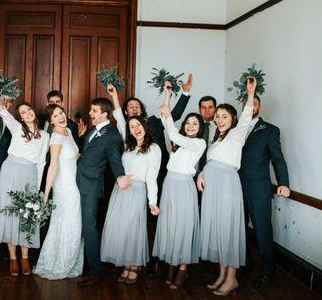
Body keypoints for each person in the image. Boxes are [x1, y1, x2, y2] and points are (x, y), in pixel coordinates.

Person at [108, 75, 193, 273]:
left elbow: (172, 113)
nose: (134, 108)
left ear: (142, 109)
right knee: (128, 224)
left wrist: (172, 93)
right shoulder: (126, 135)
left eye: (137, 105)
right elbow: (119, 116)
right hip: (129, 183)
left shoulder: (154, 122)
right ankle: (132, 259)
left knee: (155, 219)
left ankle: (156, 258)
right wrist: (114, 97)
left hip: (156, 177)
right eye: (130, 106)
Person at [197, 77, 257, 296]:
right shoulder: (217, 140)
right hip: (213, 190)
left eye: (225, 116)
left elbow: (246, 116)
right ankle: (222, 275)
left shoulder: (237, 135)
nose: (220, 120)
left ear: (233, 118)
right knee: (218, 231)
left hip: (227, 189)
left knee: (228, 231)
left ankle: (232, 279)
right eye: (218, 117)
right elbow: (211, 162)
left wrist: (250, 94)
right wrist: (201, 174)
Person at [152, 83, 207, 290]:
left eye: (195, 123)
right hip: (169, 185)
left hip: (184, 187)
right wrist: (167, 95)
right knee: (170, 227)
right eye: (188, 123)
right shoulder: (178, 144)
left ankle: (182, 267)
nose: (191, 126)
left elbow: (172, 131)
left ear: (199, 127)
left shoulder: (198, 144)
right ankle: (172, 263)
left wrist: (167, 111)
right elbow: (169, 127)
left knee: (184, 226)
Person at [0, 93, 50, 276]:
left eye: (29, 110)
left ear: (33, 111)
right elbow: (4, 113)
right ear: (21, 117)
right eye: (23, 112)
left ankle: (24, 257)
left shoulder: (45, 136)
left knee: (27, 216)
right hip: (11, 172)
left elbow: (41, 164)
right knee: (10, 213)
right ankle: (13, 258)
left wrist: (37, 188)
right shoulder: (16, 128)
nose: (27, 113)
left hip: (30, 175)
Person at [75, 97, 132, 288]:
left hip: (90, 186)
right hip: (79, 181)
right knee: (83, 226)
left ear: (104, 114)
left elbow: (114, 158)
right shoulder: (94, 129)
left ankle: (96, 272)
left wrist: (120, 176)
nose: (90, 113)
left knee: (89, 227)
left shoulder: (112, 134)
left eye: (93, 111)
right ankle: (84, 265)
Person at [101, 115, 161, 284]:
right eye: (132, 126)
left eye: (138, 125)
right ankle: (127, 263)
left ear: (144, 126)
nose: (135, 128)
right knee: (122, 227)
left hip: (137, 190)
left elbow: (152, 177)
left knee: (133, 228)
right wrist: (114, 98)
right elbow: (120, 121)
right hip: (120, 190)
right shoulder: (128, 146)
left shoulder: (154, 148)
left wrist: (153, 202)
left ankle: (134, 264)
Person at [239, 95, 290, 287]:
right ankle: (245, 264)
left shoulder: (269, 130)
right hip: (235, 189)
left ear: (259, 106)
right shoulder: (235, 129)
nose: (251, 107)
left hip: (258, 189)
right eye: (248, 104)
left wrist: (283, 182)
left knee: (262, 231)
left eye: (255, 104)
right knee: (239, 231)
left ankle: (267, 271)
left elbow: (277, 159)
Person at [33, 104, 83, 280]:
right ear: (50, 121)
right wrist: (45, 195)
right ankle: (57, 263)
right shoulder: (55, 137)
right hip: (64, 188)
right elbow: (53, 166)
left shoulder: (68, 132)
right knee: (65, 224)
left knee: (73, 224)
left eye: (61, 113)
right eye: (55, 116)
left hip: (74, 185)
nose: (60, 117)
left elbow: (73, 157)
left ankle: (69, 261)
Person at [197, 95, 217, 173]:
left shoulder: (222, 127)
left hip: (214, 171)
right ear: (199, 110)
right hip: (194, 173)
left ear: (215, 109)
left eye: (210, 107)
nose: (207, 110)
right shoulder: (192, 126)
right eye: (204, 107)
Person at [0, 96, 13, 167]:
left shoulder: (14, 124)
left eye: (9, 100)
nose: (5, 102)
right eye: (3, 99)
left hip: (4, 166)